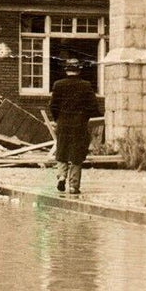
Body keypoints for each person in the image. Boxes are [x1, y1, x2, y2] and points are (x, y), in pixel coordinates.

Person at [50, 61, 102, 195]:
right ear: (79, 71)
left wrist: (58, 119)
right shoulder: (86, 86)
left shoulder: (58, 85)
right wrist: (85, 117)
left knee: (62, 150)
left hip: (63, 123)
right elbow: (93, 106)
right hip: (79, 124)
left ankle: (62, 176)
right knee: (77, 153)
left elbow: (53, 106)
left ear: (66, 71)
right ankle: (73, 186)